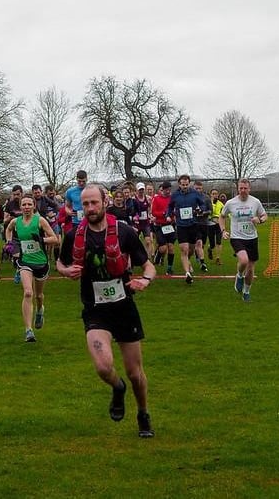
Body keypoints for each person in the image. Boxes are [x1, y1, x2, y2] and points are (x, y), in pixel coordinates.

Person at [57, 184, 157, 438]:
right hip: (95, 309)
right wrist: (65, 271)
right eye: (85, 204)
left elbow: (148, 266)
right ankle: (117, 387)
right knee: (103, 366)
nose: (89, 209)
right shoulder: (73, 235)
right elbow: (60, 261)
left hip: (124, 308)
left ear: (105, 201)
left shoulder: (124, 232)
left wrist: (144, 281)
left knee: (135, 373)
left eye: (94, 203)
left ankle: (143, 413)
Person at [4, 195, 59, 343]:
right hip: (25, 261)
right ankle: (28, 330)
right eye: (24, 204)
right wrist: (9, 242)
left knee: (39, 296)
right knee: (28, 292)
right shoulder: (16, 222)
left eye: (29, 204)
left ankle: (40, 310)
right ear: (20, 207)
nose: (27, 207)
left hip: (41, 262)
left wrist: (42, 240)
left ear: (34, 206)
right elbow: (8, 229)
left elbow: (55, 238)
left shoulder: (40, 221)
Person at [219, 179, 268, 301]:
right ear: (238, 189)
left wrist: (260, 220)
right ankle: (239, 275)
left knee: (251, 268)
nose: (243, 191)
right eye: (241, 188)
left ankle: (246, 292)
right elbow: (222, 216)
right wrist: (223, 231)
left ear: (249, 189)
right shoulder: (231, 203)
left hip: (252, 237)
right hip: (237, 237)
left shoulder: (255, 202)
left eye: (245, 188)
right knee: (244, 260)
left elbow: (265, 215)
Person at [166, 174, 208, 284]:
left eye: (186, 184)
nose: (184, 186)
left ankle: (188, 261)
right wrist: (168, 215)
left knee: (191, 249)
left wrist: (200, 210)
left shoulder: (195, 194)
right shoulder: (175, 195)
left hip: (193, 224)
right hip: (181, 225)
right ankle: (187, 273)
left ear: (189, 184)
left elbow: (203, 205)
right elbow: (170, 206)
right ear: (179, 184)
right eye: (182, 184)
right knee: (184, 249)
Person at [150, 180, 176, 275]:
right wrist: (164, 214)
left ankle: (169, 267)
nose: (168, 191)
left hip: (170, 225)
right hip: (160, 225)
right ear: (162, 190)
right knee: (163, 248)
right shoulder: (157, 199)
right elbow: (153, 212)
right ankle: (158, 255)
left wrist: (172, 214)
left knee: (171, 247)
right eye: (166, 189)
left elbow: (175, 209)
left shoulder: (172, 199)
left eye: (169, 189)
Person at [192, 180, 212, 273]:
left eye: (199, 188)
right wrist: (194, 213)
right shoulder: (190, 198)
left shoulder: (206, 198)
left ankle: (198, 255)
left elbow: (210, 211)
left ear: (202, 188)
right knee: (198, 243)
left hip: (204, 223)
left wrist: (203, 213)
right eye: (196, 188)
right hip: (194, 223)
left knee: (202, 244)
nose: (198, 190)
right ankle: (203, 263)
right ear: (193, 188)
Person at [131, 182, 154, 259]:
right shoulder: (134, 199)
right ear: (137, 190)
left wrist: (150, 215)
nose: (141, 191)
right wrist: (135, 216)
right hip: (137, 223)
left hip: (145, 223)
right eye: (139, 190)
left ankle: (148, 258)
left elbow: (150, 208)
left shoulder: (148, 198)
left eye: (142, 189)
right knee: (134, 241)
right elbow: (132, 211)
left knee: (148, 241)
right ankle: (135, 256)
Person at [207, 188, 224, 265]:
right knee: (212, 244)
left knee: (219, 241)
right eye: (213, 194)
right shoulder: (208, 203)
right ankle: (210, 248)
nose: (215, 195)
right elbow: (206, 213)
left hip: (218, 225)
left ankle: (218, 258)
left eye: (216, 194)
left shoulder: (221, 204)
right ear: (210, 195)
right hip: (210, 224)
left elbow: (224, 214)